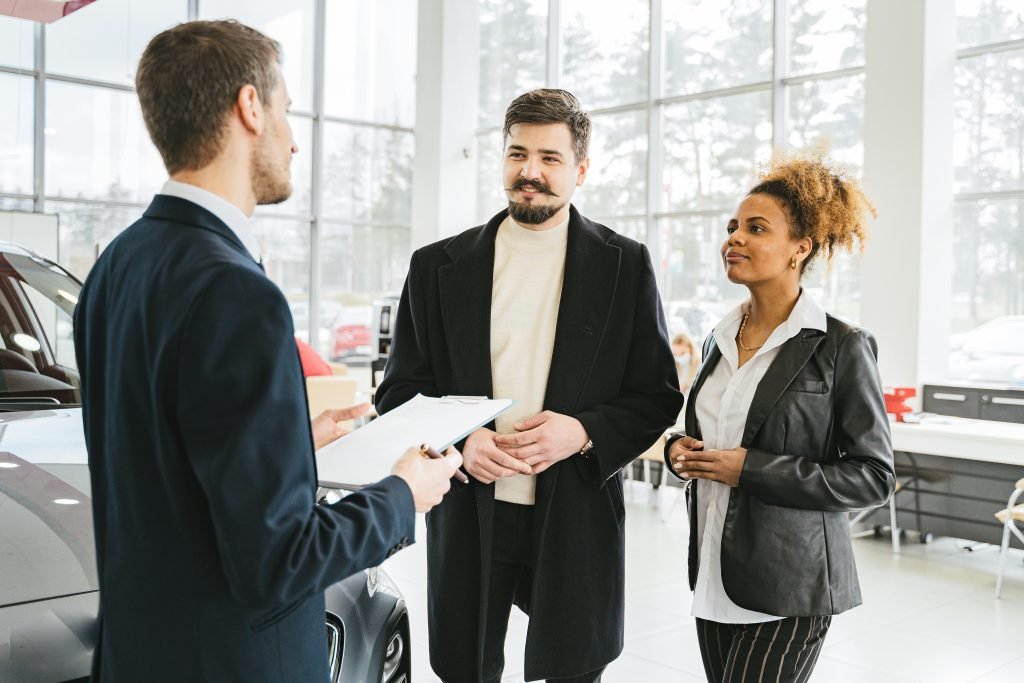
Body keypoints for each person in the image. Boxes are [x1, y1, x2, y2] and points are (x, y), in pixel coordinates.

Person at [73, 20, 461, 681]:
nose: (294, 137)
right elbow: (278, 562)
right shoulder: (235, 292)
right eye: (286, 109)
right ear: (249, 107)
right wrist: (405, 491)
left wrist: (290, 446)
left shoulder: (117, 265)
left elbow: (160, 469)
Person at [376, 89, 683, 683]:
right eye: (518, 154)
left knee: (573, 666)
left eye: (550, 158)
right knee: (466, 668)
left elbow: (656, 395)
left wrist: (583, 432)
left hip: (575, 512)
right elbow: (398, 392)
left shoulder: (626, 265)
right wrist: (462, 441)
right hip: (470, 509)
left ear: (581, 169)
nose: (531, 172)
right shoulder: (436, 265)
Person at [664, 152, 895, 683]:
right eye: (732, 228)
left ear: (800, 248)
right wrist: (681, 450)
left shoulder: (841, 346)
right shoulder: (718, 340)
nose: (735, 239)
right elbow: (717, 435)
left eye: (756, 228)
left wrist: (752, 469)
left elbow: (874, 477)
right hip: (714, 573)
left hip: (791, 585)